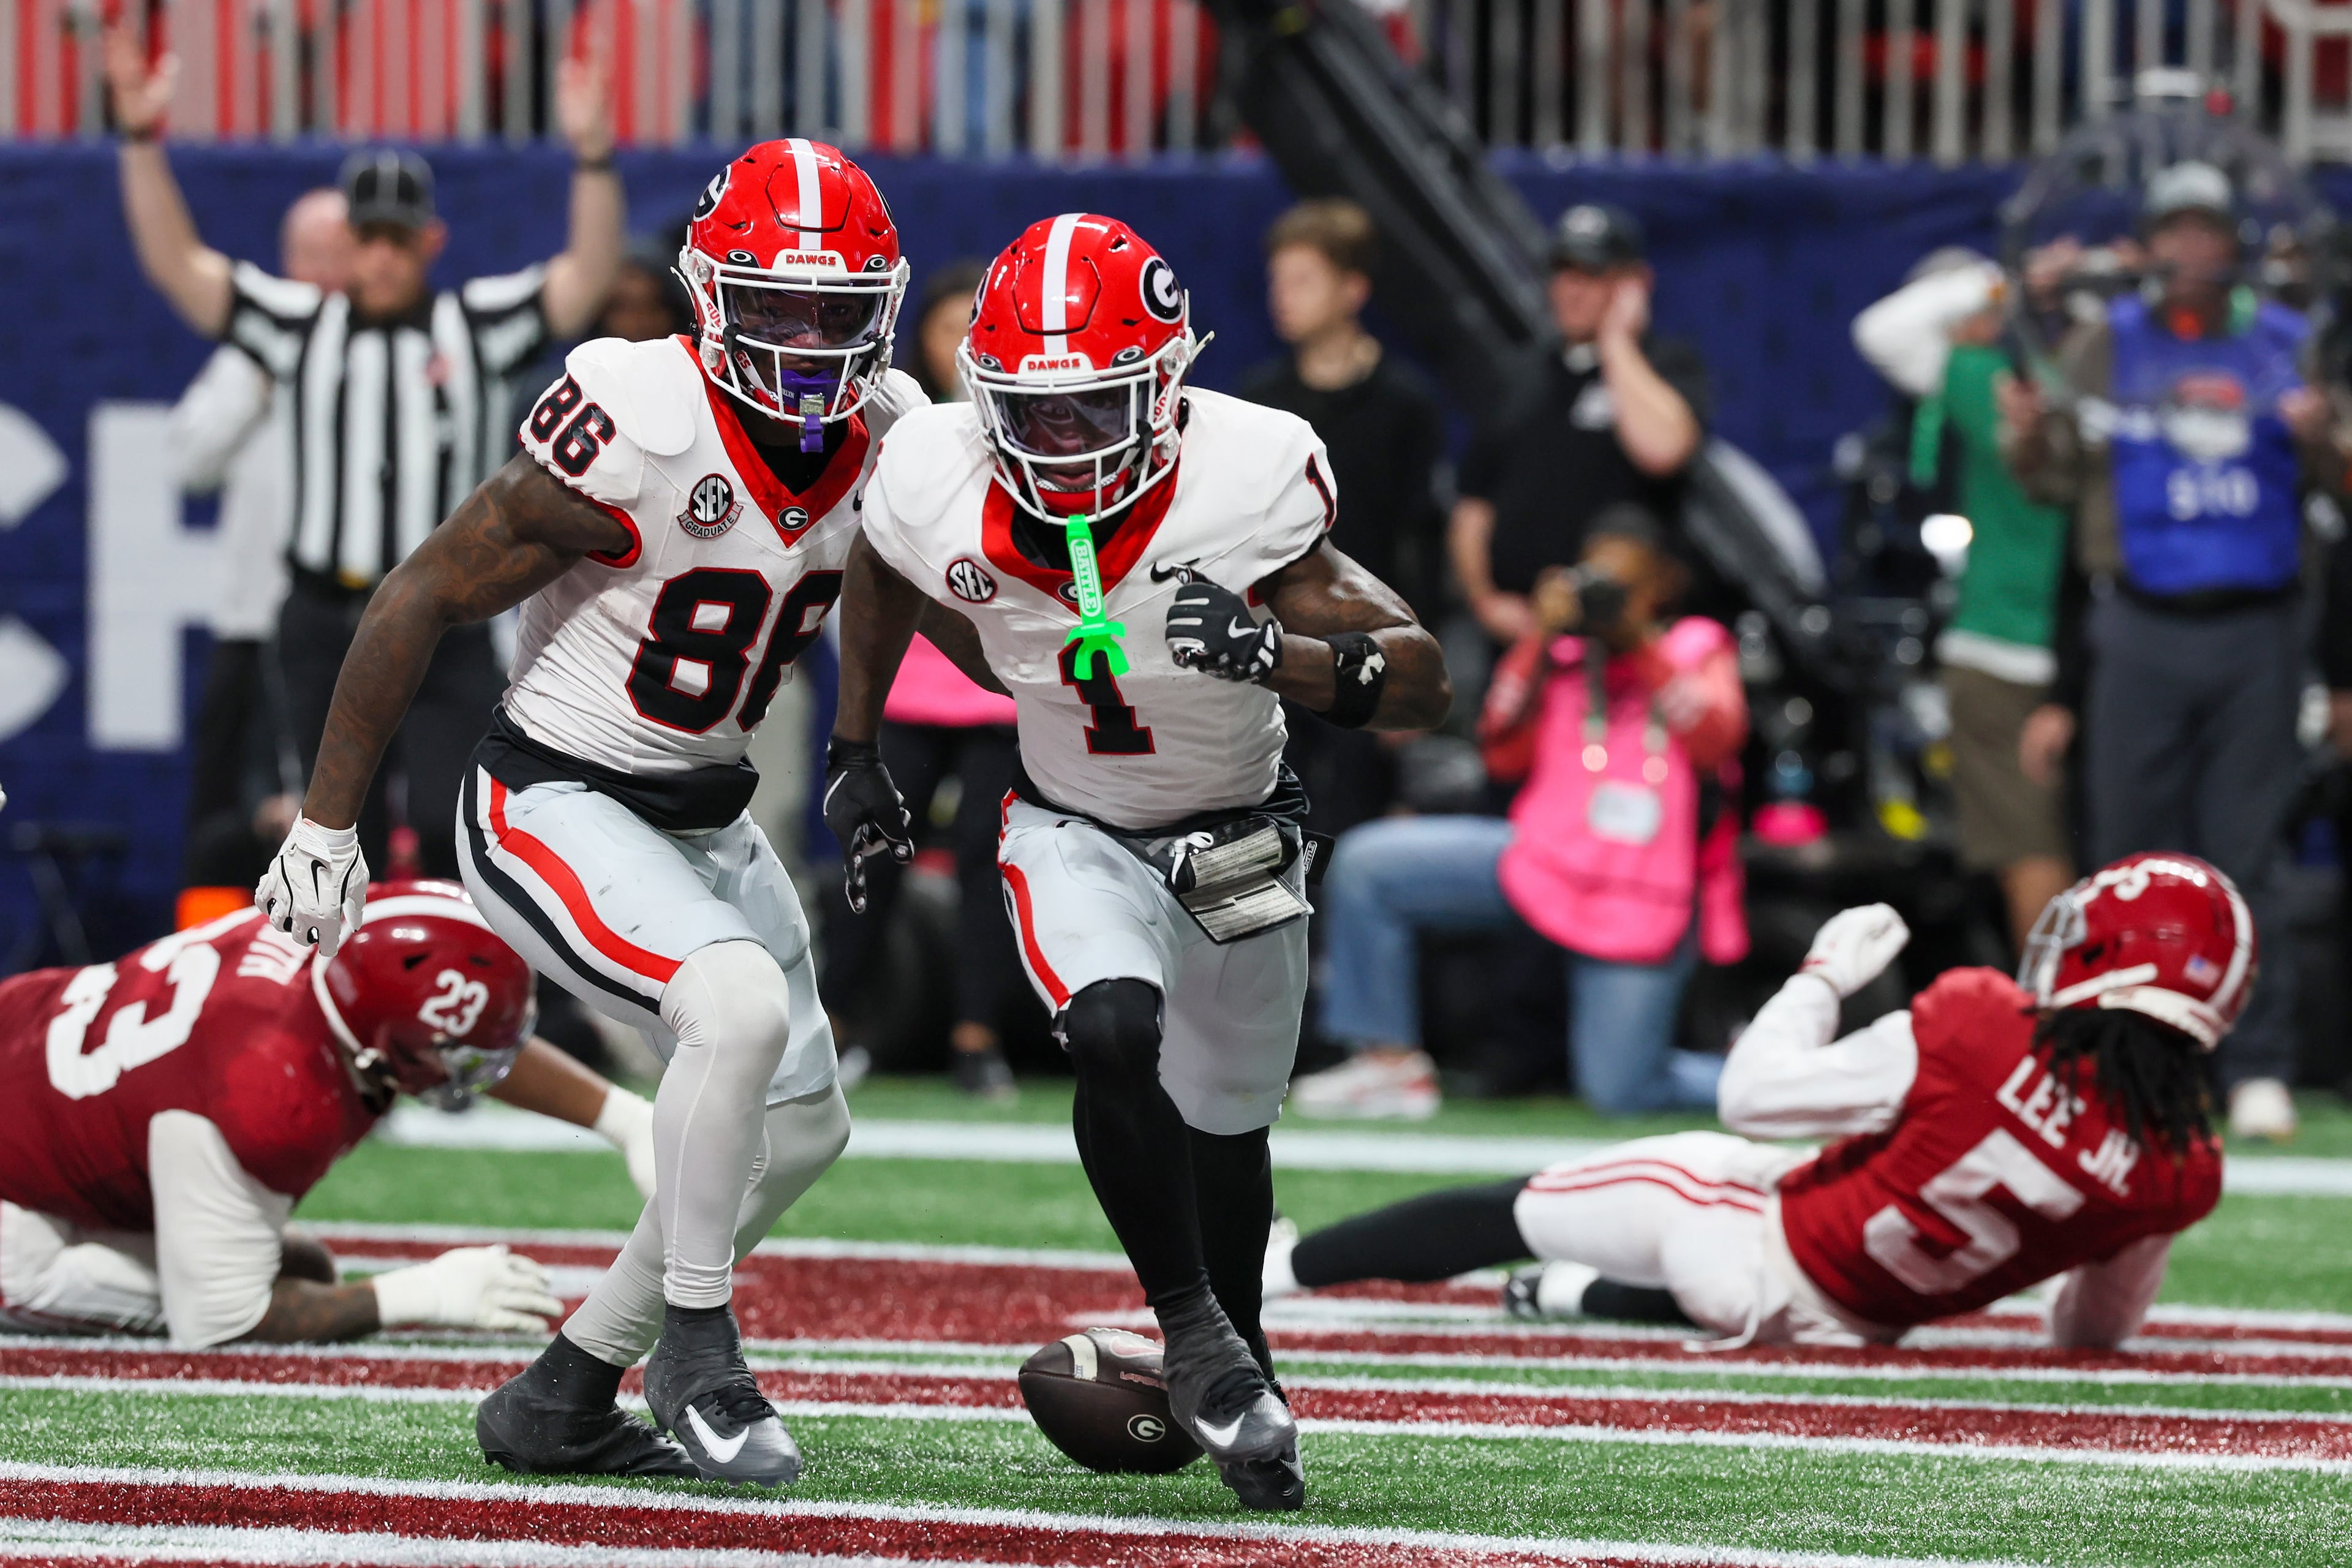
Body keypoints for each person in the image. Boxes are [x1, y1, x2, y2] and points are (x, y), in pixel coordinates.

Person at [250, 140, 925, 1488]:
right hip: (553, 791)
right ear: (707, 297)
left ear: (883, 308)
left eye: (833, 312)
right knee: (728, 1011)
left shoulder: (894, 429)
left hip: (706, 814)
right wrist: (327, 823)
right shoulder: (641, 414)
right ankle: (693, 1341)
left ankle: (564, 1389)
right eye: (773, 308)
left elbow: (895, 573)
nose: (804, 343)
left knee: (803, 1126)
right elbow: (423, 589)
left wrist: (856, 740)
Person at [823, 213, 1450, 1510]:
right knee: (1111, 1027)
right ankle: (1196, 1329)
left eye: (1090, 406)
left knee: (1227, 1119)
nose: (1057, 439)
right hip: (1071, 818)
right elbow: (883, 565)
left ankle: (1245, 1356)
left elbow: (1424, 682)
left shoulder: (1252, 474)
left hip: (1239, 825)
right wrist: (855, 741)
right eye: (1028, 409)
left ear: (1165, 385)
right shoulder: (935, 469)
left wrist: (1280, 653)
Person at [1268, 856, 2239, 1352]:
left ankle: (1288, 1268)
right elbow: (2090, 1334)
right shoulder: (2182, 1165)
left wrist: (1821, 977)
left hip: (1748, 1242)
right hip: (1856, 1326)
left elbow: (1753, 1096)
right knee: (1753, 1250)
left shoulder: (1983, 1023)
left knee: (1516, 1208)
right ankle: (1568, 1294)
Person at [107, 26, 625, 882]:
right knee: (332, 828)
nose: (382, 256)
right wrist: (137, 140)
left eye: (398, 238)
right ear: (347, 240)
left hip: (450, 614)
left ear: (431, 241)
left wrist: (595, 157)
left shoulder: (478, 326)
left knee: (445, 817)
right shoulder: (301, 325)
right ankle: (346, 1000)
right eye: (369, 237)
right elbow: (179, 268)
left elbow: (586, 277)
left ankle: (449, 1002)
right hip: (324, 615)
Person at [2002, 162, 2340, 1143]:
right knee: (2130, 858)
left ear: (2231, 246)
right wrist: (2028, 436)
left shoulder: (2287, 344)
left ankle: (2258, 1064)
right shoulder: (2104, 346)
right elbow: (2054, 483)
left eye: (2208, 234)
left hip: (2257, 628)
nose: (2191, 253)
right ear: (2146, 247)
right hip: (2140, 623)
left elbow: (2338, 478)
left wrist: (2321, 437)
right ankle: (2129, 1065)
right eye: (2174, 234)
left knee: (2250, 853)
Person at [0, 880, 657, 1350]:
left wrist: (624, 1117)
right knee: (96, 1286)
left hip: (25, 1037)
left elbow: (448, 1033)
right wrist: (417, 1295)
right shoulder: (273, 1090)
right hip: (17, 1171)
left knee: (303, 1271)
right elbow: (222, 1321)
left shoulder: (334, 929)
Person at [1289, 508, 1746, 1120]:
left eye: (1627, 586)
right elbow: (1501, 751)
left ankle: (1774, 1079)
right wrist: (1538, 637)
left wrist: (1640, 641)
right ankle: (1389, 1063)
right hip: (1539, 859)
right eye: (1598, 583)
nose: (1608, 600)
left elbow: (1718, 739)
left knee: (1622, 1091)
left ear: (1664, 584)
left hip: (1639, 891)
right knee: (1371, 864)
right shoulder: (1561, 654)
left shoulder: (1696, 646)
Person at [819, 259, 1028, 1099]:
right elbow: (862, 553)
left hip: (1002, 689)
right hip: (909, 686)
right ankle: (838, 1023)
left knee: (991, 861)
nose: (964, 340)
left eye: (977, 324)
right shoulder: (898, 434)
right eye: (949, 324)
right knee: (870, 850)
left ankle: (978, 1037)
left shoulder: (1038, 430)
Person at [1852, 251, 2075, 951]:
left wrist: (1997, 281)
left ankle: (2063, 1036)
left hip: (2011, 644)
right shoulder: (2091, 380)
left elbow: (1881, 331)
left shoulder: (1993, 380)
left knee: (2031, 848)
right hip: (2085, 641)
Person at [1240, 199, 1449, 837]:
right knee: (1267, 820)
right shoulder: (1259, 402)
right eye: (1277, 280)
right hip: (1270, 641)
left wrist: (1411, 659)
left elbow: (1421, 542)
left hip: (1364, 640)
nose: (1284, 297)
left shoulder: (1405, 404)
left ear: (1353, 288)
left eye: (1303, 281)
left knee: (1353, 820)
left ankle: (1335, 938)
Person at [168, 188, 353, 891]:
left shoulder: (400, 351)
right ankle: (207, 976)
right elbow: (188, 465)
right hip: (254, 623)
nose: (328, 275)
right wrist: (258, 381)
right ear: (286, 262)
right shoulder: (253, 350)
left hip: (354, 633)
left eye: (342, 255)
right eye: (314, 258)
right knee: (228, 819)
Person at [1452, 203, 1711, 646]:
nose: (1572, 290)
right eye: (1564, 273)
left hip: (1621, 642)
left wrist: (1616, 341)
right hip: (1518, 635)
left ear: (1635, 285)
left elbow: (1663, 450)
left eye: (1591, 276)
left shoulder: (1665, 366)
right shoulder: (1521, 373)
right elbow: (1475, 503)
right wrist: (1485, 599)